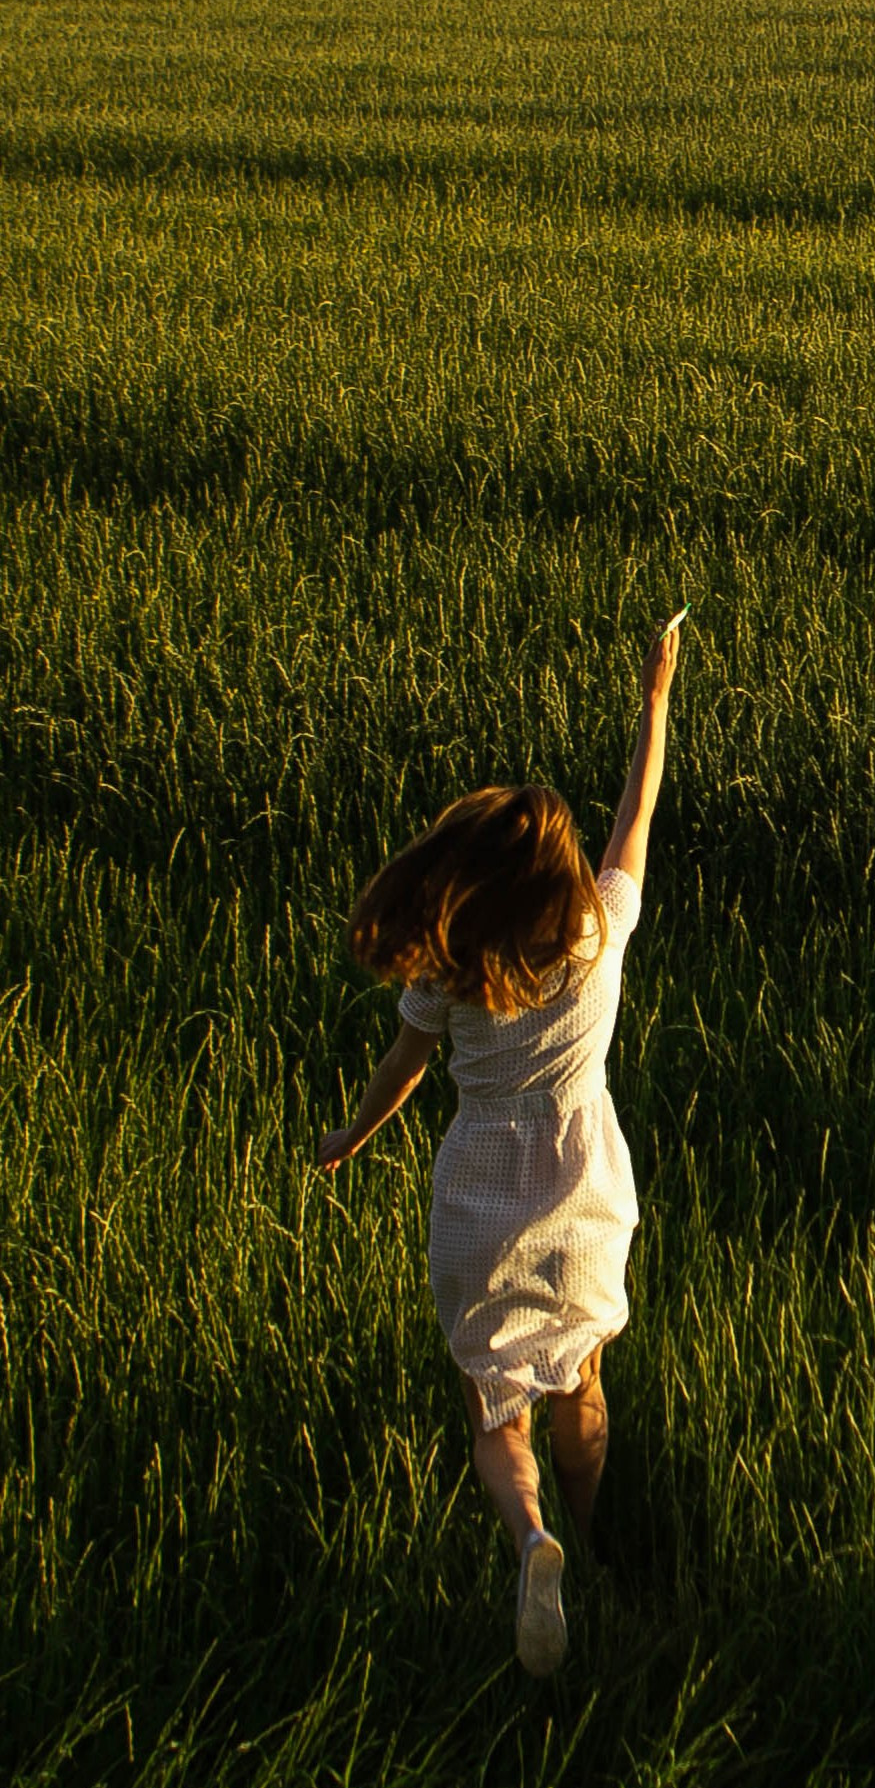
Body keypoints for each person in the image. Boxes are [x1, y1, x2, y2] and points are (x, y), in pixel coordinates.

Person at [318, 614, 683, 1676]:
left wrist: (351, 1131)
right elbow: (638, 815)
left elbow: (403, 1070)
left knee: (495, 1404)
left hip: (480, 1197)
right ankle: (593, 1529)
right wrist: (655, 696)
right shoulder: (600, 931)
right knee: (580, 1378)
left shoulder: (455, 966)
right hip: (583, 1197)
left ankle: (531, 1538)